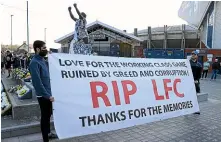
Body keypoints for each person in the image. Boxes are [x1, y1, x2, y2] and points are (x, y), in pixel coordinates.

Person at [29, 40, 57, 142]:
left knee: (48, 114)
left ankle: (48, 133)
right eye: (44, 48)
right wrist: (47, 95)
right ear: (37, 49)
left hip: (49, 94)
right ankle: (45, 138)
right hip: (43, 96)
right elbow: (37, 83)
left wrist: (54, 57)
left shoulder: (43, 61)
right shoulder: (34, 63)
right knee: (45, 116)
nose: (46, 49)